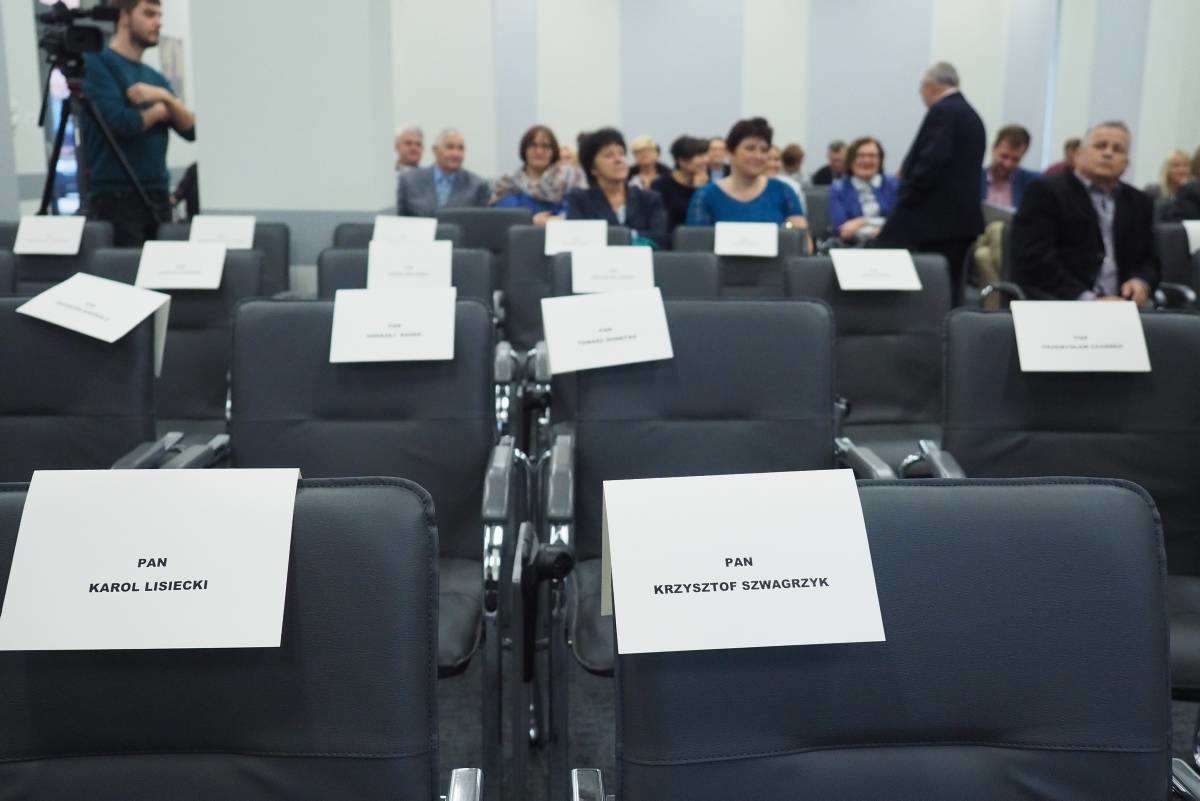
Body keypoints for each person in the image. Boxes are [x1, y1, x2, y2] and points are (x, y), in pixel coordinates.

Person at [80, 0, 195, 247]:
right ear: (124, 17)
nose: (158, 22)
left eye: (160, 15)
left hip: (158, 194)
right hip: (116, 197)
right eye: (149, 14)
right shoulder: (98, 64)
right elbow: (120, 123)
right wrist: (158, 112)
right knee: (127, 269)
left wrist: (165, 98)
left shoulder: (155, 79)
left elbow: (191, 130)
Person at [874, 62, 985, 301]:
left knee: (930, 292)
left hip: (934, 222)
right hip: (960, 223)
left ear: (931, 86)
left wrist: (905, 195)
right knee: (952, 289)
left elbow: (931, 163)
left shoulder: (943, 111)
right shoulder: (970, 114)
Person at [1010, 121, 1156, 302]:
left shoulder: (1139, 202)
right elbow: (1034, 260)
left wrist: (1140, 281)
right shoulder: (1045, 192)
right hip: (1061, 302)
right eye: (1100, 146)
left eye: (1117, 149)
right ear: (1078, 154)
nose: (1108, 153)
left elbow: (1150, 260)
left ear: (1126, 163)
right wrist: (1088, 300)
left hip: (1123, 304)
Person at [685, 117, 808, 234]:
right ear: (731, 152)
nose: (758, 156)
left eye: (764, 150)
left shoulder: (783, 191)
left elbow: (802, 242)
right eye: (750, 148)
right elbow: (697, 243)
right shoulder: (705, 195)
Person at [565, 127, 668, 248]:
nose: (618, 160)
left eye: (622, 153)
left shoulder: (649, 199)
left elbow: (660, 239)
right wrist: (630, 236)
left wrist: (617, 237)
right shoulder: (579, 199)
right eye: (608, 155)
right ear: (593, 168)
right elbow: (578, 239)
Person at [488, 124, 583, 224]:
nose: (539, 151)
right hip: (520, 232)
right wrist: (530, 221)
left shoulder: (570, 177)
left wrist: (557, 221)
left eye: (545, 146)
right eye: (533, 145)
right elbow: (501, 216)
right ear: (524, 149)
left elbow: (580, 210)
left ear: (554, 151)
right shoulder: (508, 182)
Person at [396, 128, 490, 216]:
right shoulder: (409, 181)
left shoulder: (477, 186)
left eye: (460, 148)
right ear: (435, 150)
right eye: (450, 147)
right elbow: (400, 219)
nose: (456, 154)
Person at [829, 137, 900, 244]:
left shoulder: (893, 185)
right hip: (853, 247)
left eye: (872, 156)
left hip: (892, 244)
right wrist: (883, 226)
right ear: (851, 160)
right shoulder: (839, 188)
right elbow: (844, 231)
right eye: (860, 156)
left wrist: (862, 222)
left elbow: (900, 223)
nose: (866, 161)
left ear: (880, 160)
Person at [651, 135, 709, 232]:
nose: (705, 160)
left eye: (704, 155)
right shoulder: (660, 185)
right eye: (699, 156)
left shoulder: (707, 185)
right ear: (682, 161)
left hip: (700, 236)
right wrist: (696, 191)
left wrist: (701, 190)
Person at [980, 125, 1037, 211]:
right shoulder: (975, 178)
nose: (1008, 164)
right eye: (1004, 156)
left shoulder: (1030, 183)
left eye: (1015, 159)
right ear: (994, 149)